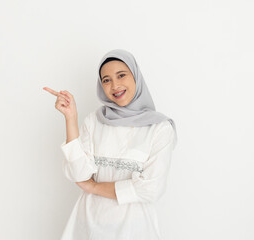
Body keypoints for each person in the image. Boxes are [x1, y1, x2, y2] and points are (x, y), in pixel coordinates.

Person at [43, 49, 178, 240]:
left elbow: (151, 189)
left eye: (121, 75)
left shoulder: (159, 128)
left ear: (136, 77)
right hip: (89, 226)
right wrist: (71, 118)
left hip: (135, 231)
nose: (114, 85)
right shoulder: (95, 121)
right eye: (106, 80)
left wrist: (94, 187)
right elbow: (78, 174)